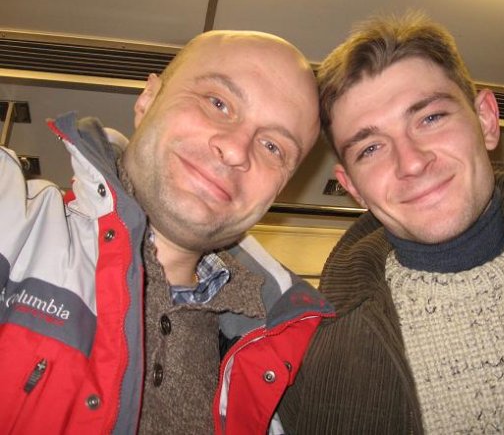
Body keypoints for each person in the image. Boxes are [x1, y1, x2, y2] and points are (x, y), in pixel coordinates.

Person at [279, 12, 504, 433]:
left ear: (486, 120)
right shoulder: (313, 363)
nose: (411, 162)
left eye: (430, 118)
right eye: (370, 148)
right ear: (353, 187)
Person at [0, 30, 334, 434]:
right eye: (217, 103)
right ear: (148, 100)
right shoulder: (15, 222)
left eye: (273, 147)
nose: (235, 150)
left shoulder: (283, 368)